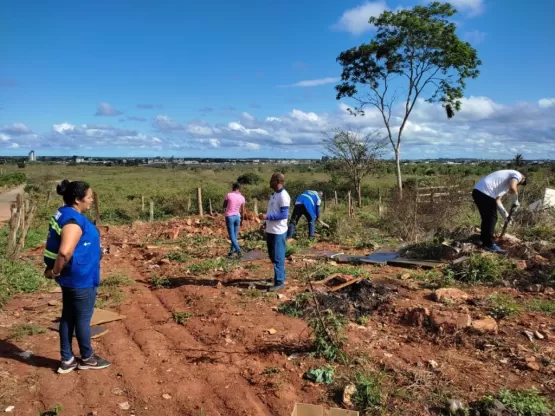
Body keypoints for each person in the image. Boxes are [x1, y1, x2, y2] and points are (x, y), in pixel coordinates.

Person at [44, 180, 110, 374]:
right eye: (88, 197)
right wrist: (55, 271)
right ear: (77, 199)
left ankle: (67, 359)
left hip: (72, 276)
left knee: (68, 317)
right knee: (82, 319)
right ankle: (87, 358)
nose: (90, 201)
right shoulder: (73, 220)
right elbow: (65, 252)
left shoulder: (64, 213)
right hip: (80, 279)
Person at [472, 170, 527, 254]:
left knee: (487, 218)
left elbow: (497, 200)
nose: (518, 184)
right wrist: (515, 200)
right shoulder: (517, 174)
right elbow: (513, 187)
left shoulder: (503, 182)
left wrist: (506, 215)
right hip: (485, 192)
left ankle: (484, 240)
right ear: (523, 178)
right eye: (520, 183)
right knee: (491, 219)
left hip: (477, 192)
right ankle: (489, 245)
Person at [259, 172, 290, 292]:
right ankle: (279, 277)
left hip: (279, 231)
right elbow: (273, 211)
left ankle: (279, 282)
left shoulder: (283, 196)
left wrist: (267, 217)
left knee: (278, 257)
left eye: (272, 180)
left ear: (277, 182)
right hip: (270, 230)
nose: (269, 182)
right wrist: (265, 223)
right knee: (272, 256)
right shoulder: (273, 195)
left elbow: (283, 214)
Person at [223, 182, 246, 257]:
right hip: (237, 217)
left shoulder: (229, 195)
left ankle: (238, 250)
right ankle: (232, 251)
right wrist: (242, 220)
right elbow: (242, 210)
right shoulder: (242, 197)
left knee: (232, 236)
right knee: (235, 235)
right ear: (239, 189)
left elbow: (224, 205)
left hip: (229, 216)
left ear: (233, 188)